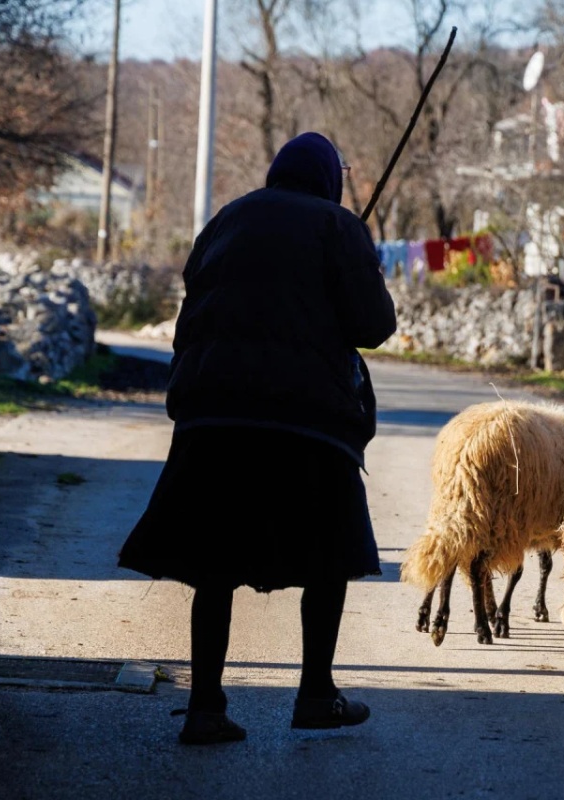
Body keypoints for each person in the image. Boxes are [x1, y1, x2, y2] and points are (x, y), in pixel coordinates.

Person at [118, 131, 398, 745]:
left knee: (214, 562)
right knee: (327, 557)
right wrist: (364, 265)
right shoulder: (340, 226)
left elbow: (193, 313)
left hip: (214, 414)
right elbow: (373, 325)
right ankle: (316, 695)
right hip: (308, 420)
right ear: (329, 181)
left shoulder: (225, 220)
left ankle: (205, 707)